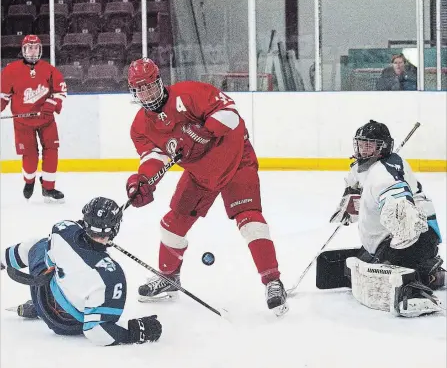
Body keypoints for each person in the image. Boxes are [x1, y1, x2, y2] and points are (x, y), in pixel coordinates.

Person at [125, 58, 288, 316]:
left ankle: (273, 282)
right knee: (172, 224)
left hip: (235, 160)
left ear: (159, 82)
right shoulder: (140, 126)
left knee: (250, 220)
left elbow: (231, 115)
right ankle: (169, 278)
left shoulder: (189, 93)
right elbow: (154, 158)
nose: (146, 94)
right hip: (200, 174)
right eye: (140, 89)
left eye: (149, 86)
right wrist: (143, 181)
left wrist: (204, 130)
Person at [1, 197, 162, 346]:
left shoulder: (62, 230)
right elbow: (96, 332)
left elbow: (58, 255)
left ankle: (2, 261)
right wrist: (134, 333)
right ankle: (41, 310)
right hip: (64, 324)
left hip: (42, 296)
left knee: (36, 245)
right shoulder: (112, 276)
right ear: (115, 229)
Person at [328, 120, 445, 316]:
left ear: (383, 147)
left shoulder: (384, 173)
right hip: (394, 238)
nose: (363, 150)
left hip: (416, 236)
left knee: (384, 269)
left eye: (370, 145)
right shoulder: (366, 168)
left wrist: (401, 243)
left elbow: (401, 208)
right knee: (365, 262)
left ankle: (418, 284)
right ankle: (431, 272)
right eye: (360, 144)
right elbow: (359, 181)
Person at [1, 34, 66, 202]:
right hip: (23, 122)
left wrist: (50, 105)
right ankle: (29, 181)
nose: (32, 51)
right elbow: (3, 96)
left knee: (52, 150)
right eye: (29, 48)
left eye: (36, 47)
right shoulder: (10, 70)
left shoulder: (49, 69)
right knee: (30, 156)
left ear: (40, 49)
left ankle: (48, 187)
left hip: (46, 120)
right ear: (23, 50)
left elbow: (60, 91)